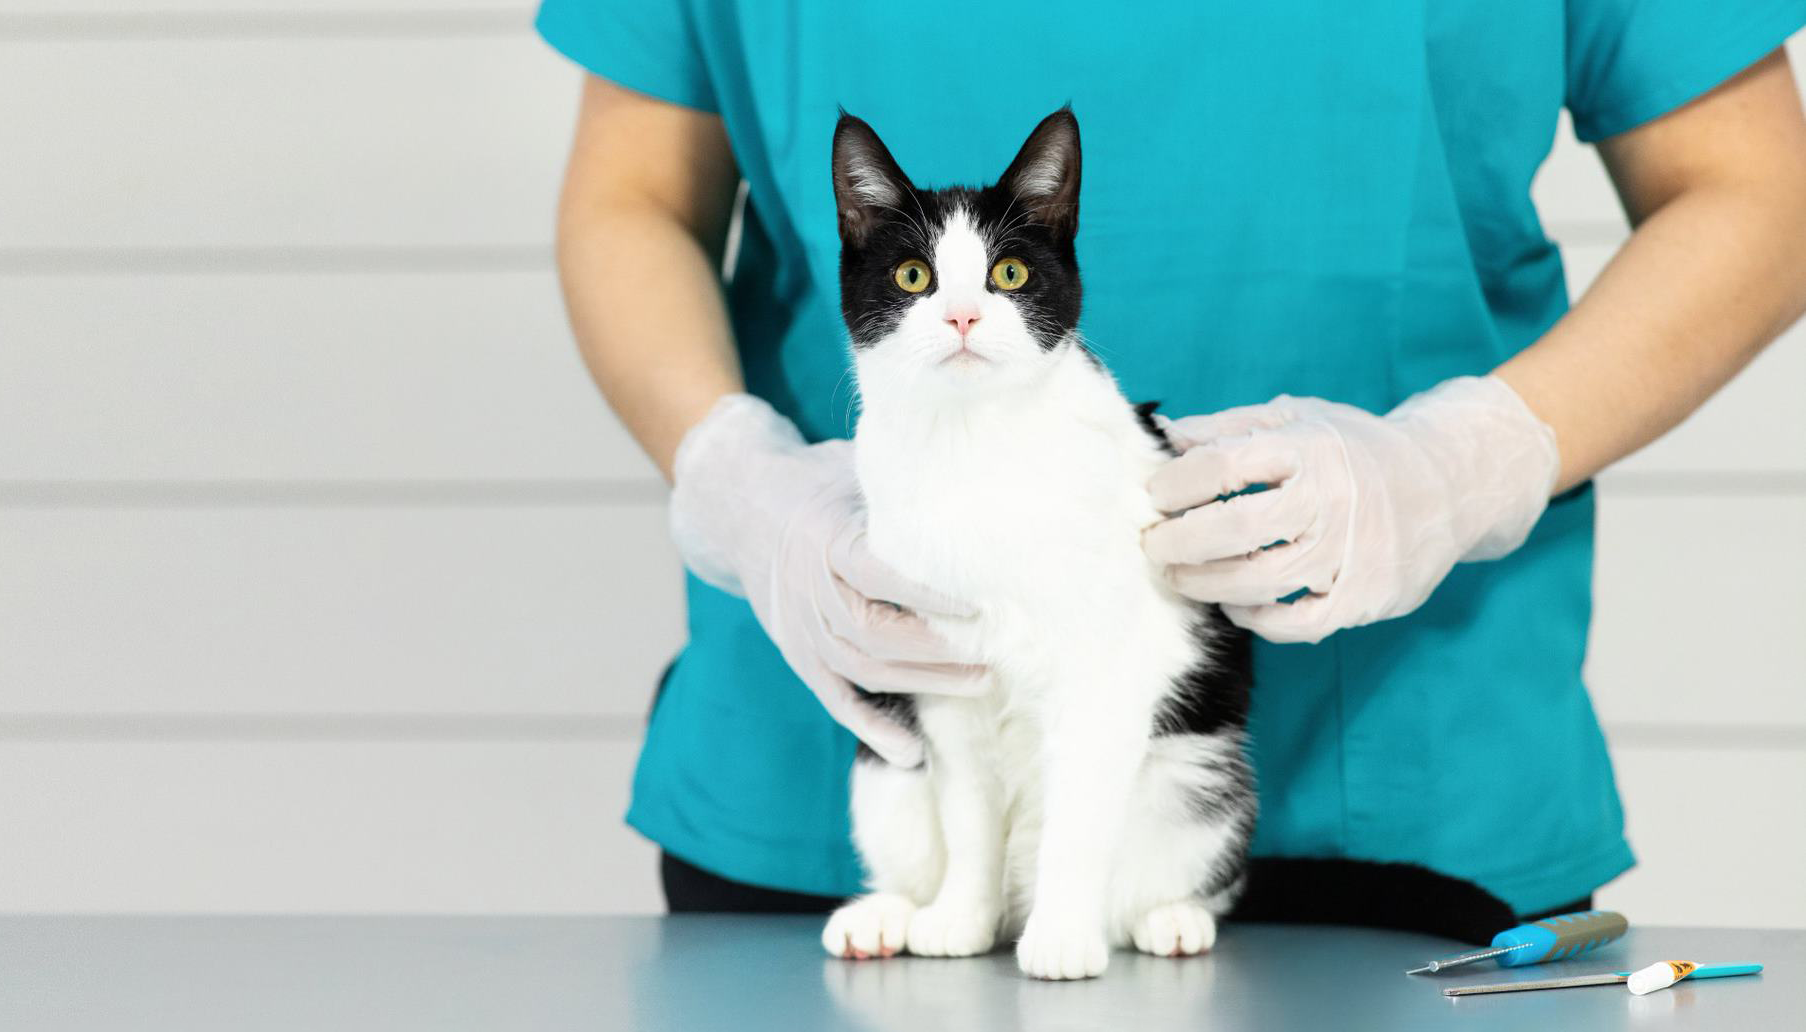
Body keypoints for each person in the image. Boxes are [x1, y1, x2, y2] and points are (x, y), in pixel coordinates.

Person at [542, 2, 1806, 942]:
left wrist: (1463, 465)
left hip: (1413, 779)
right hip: (848, 771)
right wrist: (736, 481)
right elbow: (632, 197)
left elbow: (1757, 190)